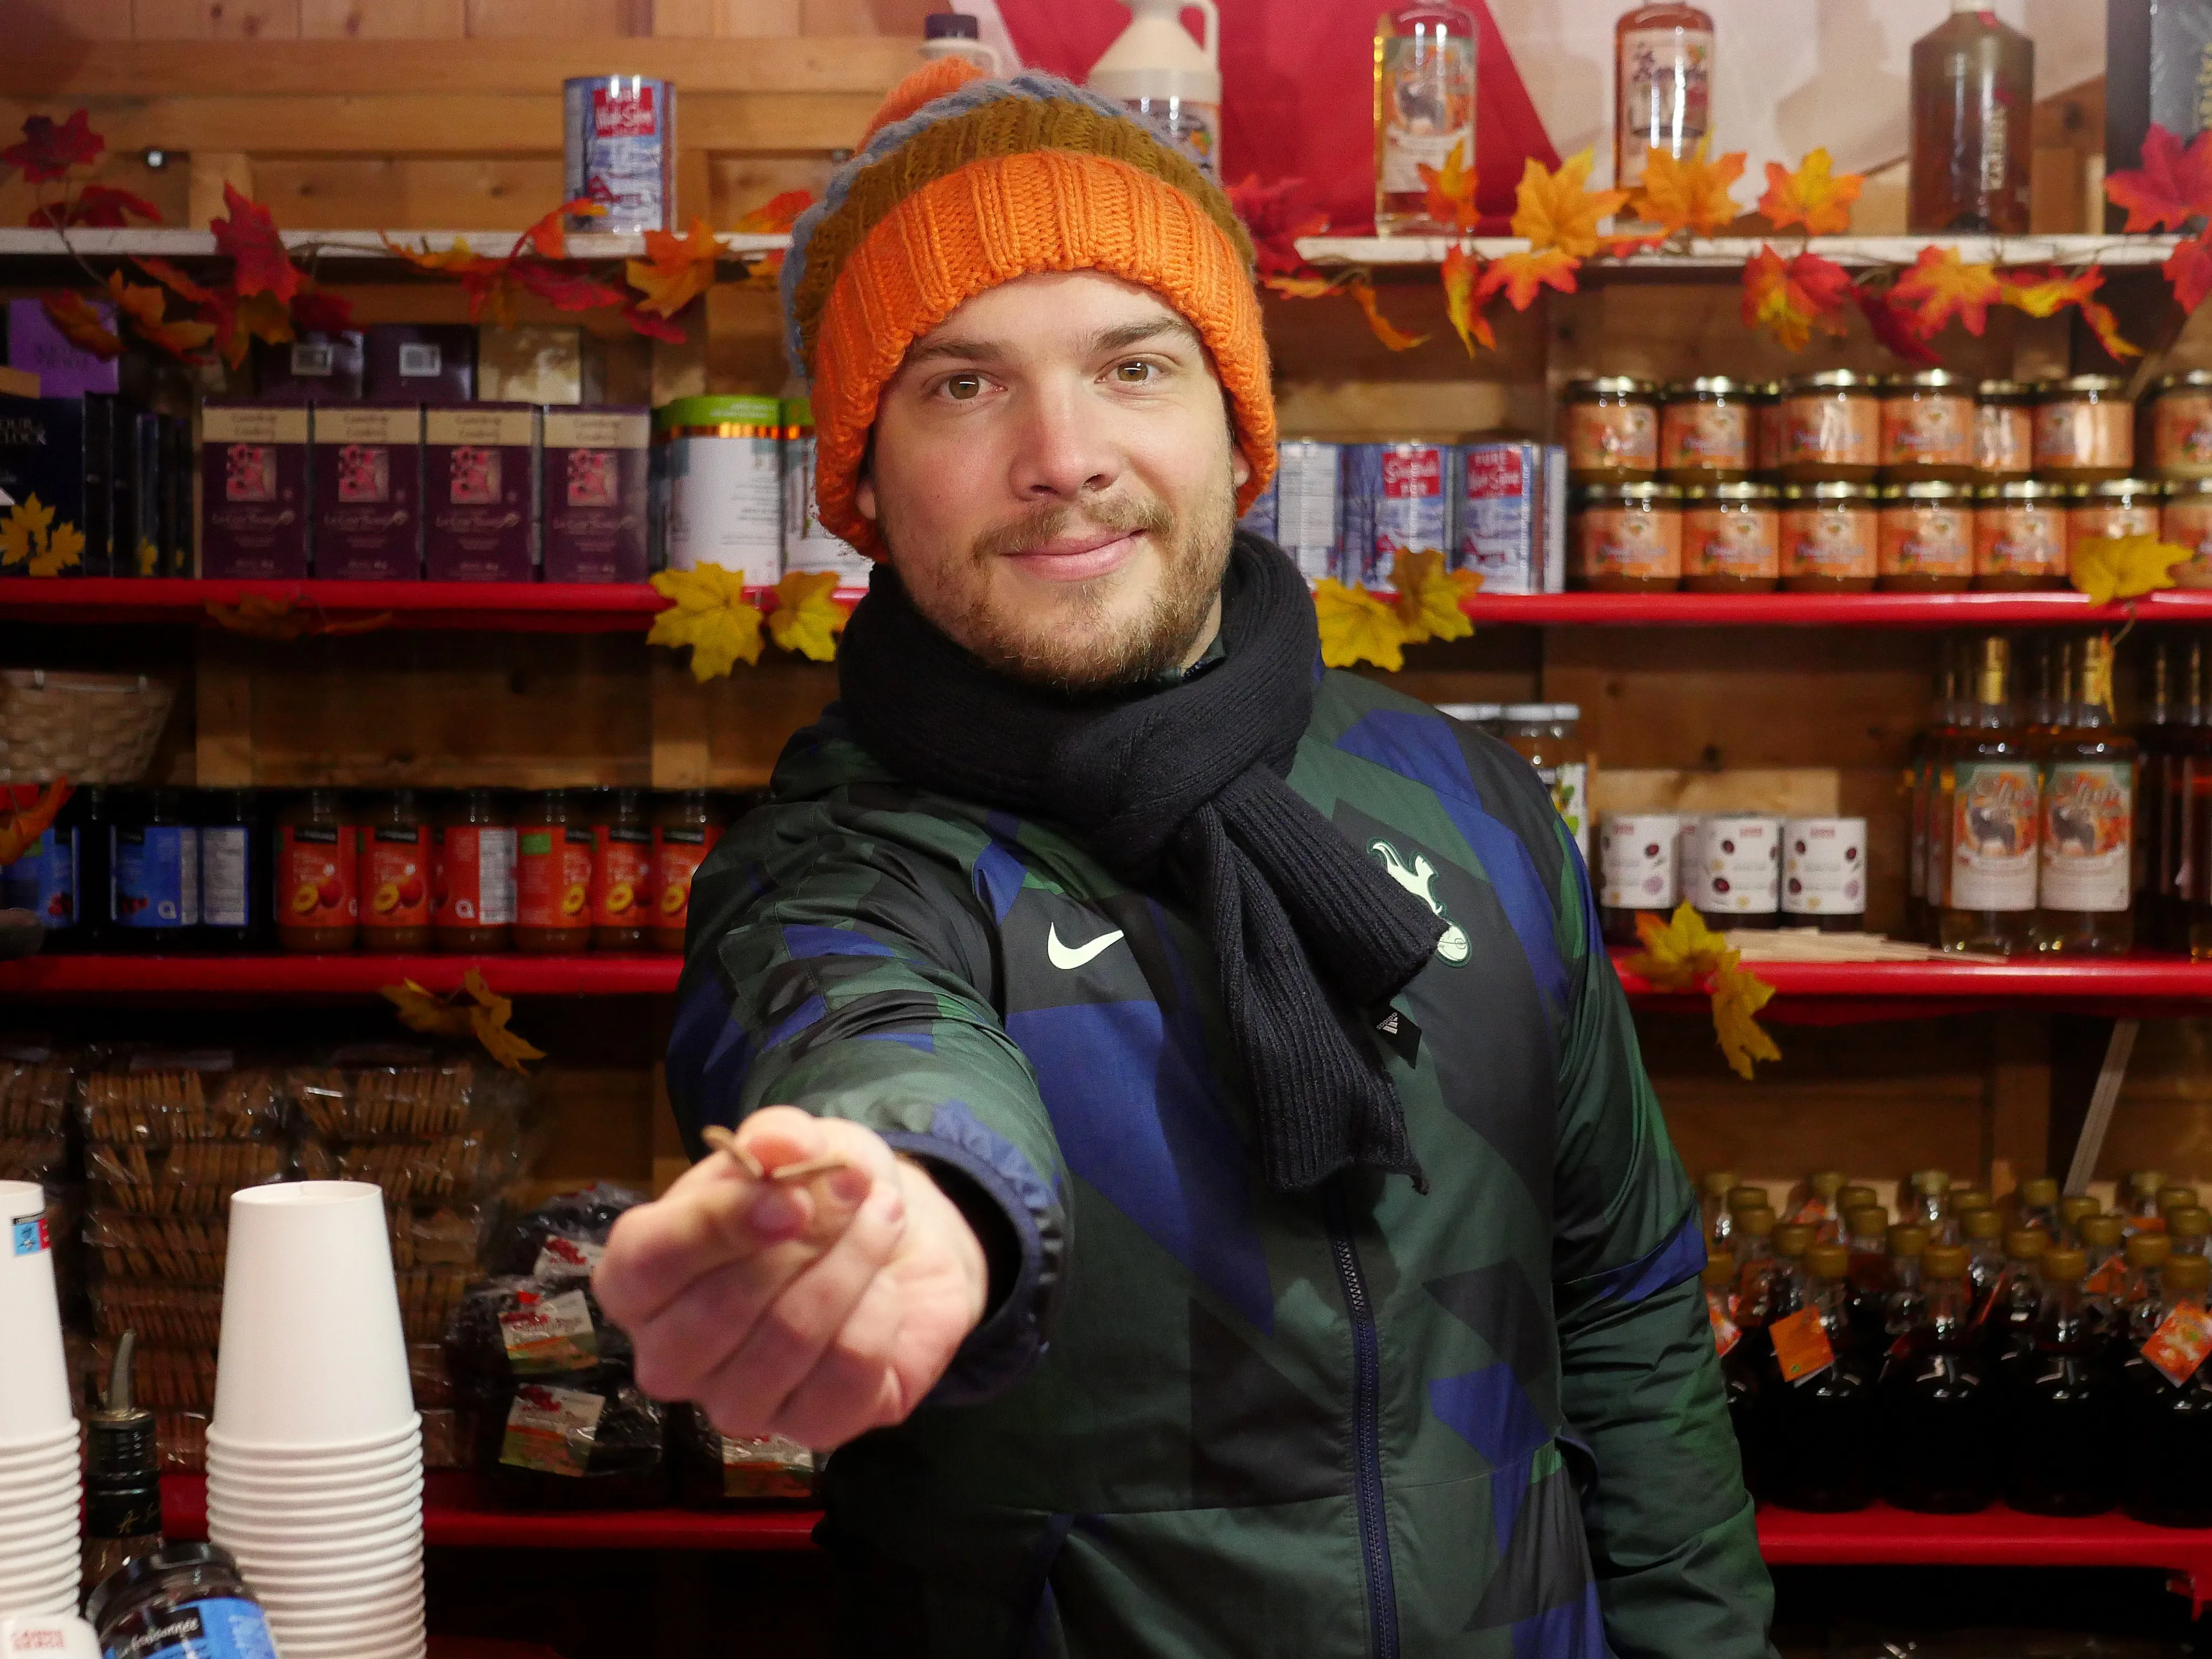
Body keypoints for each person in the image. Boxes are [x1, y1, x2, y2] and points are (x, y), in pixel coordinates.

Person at [593, 58, 1774, 1659]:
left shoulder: (1475, 803)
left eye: (1134, 366)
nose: (1062, 453)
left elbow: (1627, 1305)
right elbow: (874, 1040)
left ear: (1242, 431)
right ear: (859, 485)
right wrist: (924, 1201)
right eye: (960, 384)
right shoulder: (834, 865)